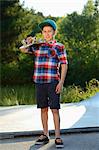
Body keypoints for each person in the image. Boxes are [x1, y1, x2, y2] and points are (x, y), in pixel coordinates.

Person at [20, 19, 68, 148]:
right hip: (39, 82)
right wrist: (27, 41)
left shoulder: (59, 46)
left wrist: (61, 82)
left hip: (53, 82)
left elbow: (64, 65)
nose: (46, 34)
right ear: (42, 33)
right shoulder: (37, 46)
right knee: (43, 109)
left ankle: (57, 136)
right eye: (44, 31)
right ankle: (45, 134)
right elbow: (22, 50)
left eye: (49, 31)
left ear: (54, 32)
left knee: (55, 109)